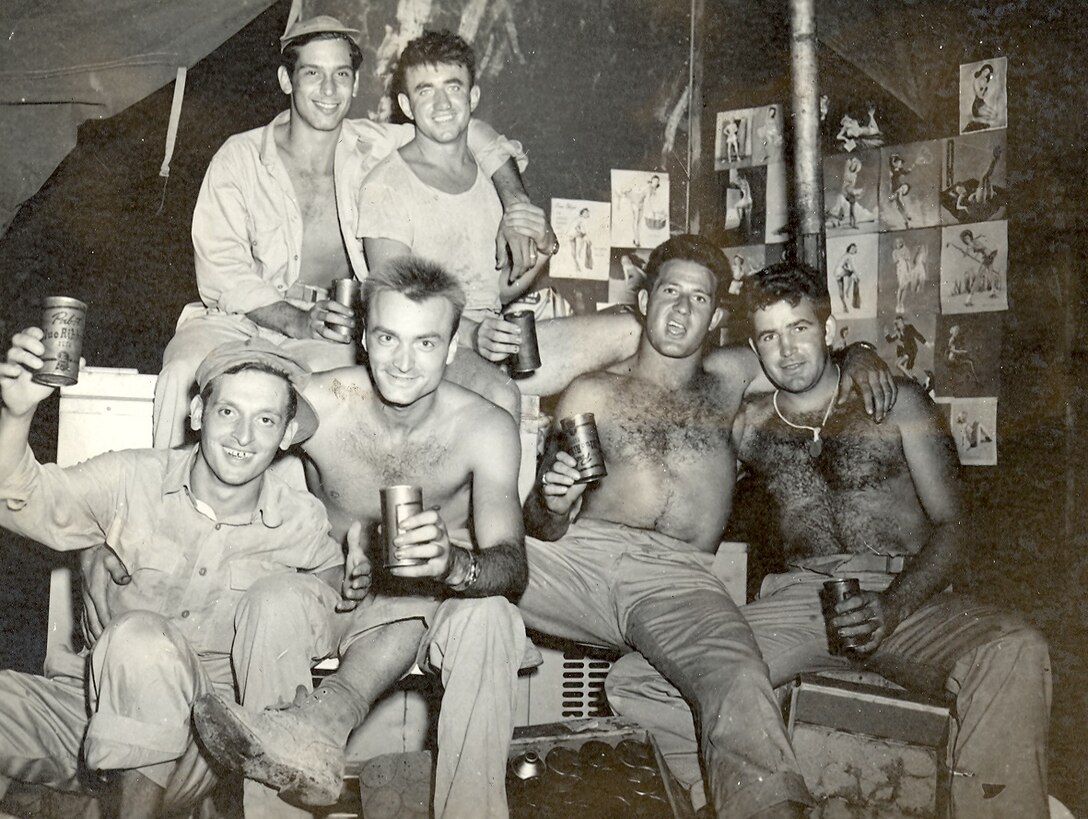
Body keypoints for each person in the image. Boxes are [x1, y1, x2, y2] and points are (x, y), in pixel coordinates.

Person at [608, 263, 1051, 819]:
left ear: (830, 332)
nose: (787, 351)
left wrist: (892, 606)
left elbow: (957, 525)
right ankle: (760, 802)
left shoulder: (896, 403)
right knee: (640, 680)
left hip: (906, 593)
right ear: (754, 348)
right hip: (802, 603)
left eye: (799, 329)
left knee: (1014, 647)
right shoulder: (748, 427)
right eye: (770, 337)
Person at [518, 235, 897, 818]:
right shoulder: (592, 391)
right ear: (644, 300)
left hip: (678, 580)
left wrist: (861, 353)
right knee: (466, 559)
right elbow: (541, 528)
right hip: (578, 563)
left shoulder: (731, 376)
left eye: (698, 299)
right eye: (669, 291)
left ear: (718, 316)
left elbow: (807, 357)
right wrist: (550, 498)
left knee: (737, 676)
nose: (680, 309)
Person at [188, 258, 531, 819]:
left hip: (428, 602)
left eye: (425, 343)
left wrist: (451, 565)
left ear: (450, 350)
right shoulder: (321, 402)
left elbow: (510, 566)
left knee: (491, 617)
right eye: (389, 338)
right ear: (366, 339)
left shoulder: (484, 427)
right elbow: (222, 454)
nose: (402, 362)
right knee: (270, 601)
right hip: (335, 589)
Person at [0, 333, 346, 818]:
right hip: (86, 710)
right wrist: (16, 414)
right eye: (228, 412)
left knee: (142, 638)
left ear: (286, 434)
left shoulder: (301, 521)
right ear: (199, 414)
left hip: (202, 742)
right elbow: (20, 500)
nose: (243, 437)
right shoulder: (129, 478)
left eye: (265, 420)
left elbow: (340, 599)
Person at [152, 15, 541, 447]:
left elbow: (474, 133)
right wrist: (296, 320)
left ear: (356, 85)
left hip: (333, 331)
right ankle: (167, 503)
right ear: (286, 80)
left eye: (341, 75)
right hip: (238, 321)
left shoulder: (375, 145)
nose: (328, 90)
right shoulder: (239, 157)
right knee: (182, 372)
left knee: (359, 395)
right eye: (312, 74)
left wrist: (517, 206)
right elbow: (221, 272)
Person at [359, 30, 643, 397]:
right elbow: (394, 308)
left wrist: (541, 250)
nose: (442, 103)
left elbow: (494, 289)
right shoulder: (387, 185)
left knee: (634, 332)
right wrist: (472, 334)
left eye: (453, 87)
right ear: (407, 105)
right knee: (500, 394)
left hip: (495, 336)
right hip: (435, 349)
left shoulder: (489, 173)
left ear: (473, 96)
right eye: (425, 90)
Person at [885, 314, 929, 379]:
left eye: (900, 322)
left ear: (903, 322)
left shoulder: (909, 327)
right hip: (905, 351)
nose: (900, 324)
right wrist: (886, 334)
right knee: (903, 367)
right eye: (898, 323)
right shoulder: (898, 332)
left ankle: (911, 378)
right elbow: (890, 340)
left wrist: (926, 343)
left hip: (912, 349)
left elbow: (917, 335)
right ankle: (911, 378)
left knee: (899, 364)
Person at [891, 235, 927, 314]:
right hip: (900, 270)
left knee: (906, 287)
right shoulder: (894, 252)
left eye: (900, 243)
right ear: (895, 244)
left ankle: (902, 304)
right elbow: (895, 261)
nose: (899, 244)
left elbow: (909, 258)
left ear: (902, 243)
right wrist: (900, 258)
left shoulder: (906, 249)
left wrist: (905, 258)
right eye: (897, 243)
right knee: (901, 287)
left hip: (907, 269)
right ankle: (898, 304)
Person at [964, 63, 999, 132]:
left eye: (987, 73)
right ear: (982, 70)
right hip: (977, 105)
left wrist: (985, 88)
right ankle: (976, 120)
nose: (985, 74)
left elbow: (985, 95)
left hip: (983, 103)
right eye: (985, 71)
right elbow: (980, 95)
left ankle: (978, 120)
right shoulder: (976, 80)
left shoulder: (985, 81)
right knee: (991, 117)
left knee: (995, 114)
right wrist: (984, 89)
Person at [833, 242, 860, 313]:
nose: (853, 250)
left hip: (836, 272)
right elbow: (853, 267)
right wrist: (857, 275)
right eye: (852, 248)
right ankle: (847, 291)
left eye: (854, 249)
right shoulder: (849, 256)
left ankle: (844, 307)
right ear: (849, 248)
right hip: (840, 271)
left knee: (841, 288)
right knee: (852, 274)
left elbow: (846, 267)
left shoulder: (845, 255)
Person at [569, 206, 594, 272]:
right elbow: (577, 227)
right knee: (578, 250)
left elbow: (581, 229)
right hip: (574, 234)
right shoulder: (580, 219)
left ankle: (580, 266)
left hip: (573, 235)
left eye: (588, 213)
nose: (587, 214)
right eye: (586, 213)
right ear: (582, 213)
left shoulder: (580, 219)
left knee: (576, 249)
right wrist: (582, 234)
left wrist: (583, 234)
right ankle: (579, 266)